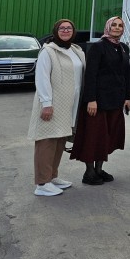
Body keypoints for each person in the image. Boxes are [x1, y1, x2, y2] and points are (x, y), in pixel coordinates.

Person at [71, 16, 130, 185]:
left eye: (120, 26)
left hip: (115, 100)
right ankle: (89, 172)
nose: (117, 28)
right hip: (97, 102)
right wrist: (91, 99)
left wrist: (127, 97)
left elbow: (126, 74)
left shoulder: (123, 48)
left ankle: (99, 169)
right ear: (107, 27)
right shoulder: (98, 47)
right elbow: (90, 75)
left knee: (107, 137)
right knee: (94, 137)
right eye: (114, 25)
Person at [28, 19, 85, 196]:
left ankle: (52, 176)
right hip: (52, 103)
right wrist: (46, 103)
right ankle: (42, 183)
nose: (66, 30)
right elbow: (42, 77)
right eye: (62, 28)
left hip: (70, 104)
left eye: (69, 28)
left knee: (60, 140)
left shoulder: (75, 50)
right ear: (55, 31)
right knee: (46, 141)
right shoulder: (48, 51)